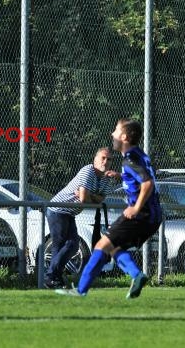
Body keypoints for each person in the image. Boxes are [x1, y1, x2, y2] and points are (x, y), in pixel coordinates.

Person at [57, 118, 162, 298]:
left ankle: (80, 290)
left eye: (115, 130)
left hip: (141, 214)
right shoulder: (137, 155)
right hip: (153, 216)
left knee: (102, 245)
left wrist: (136, 208)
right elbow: (140, 177)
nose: (112, 134)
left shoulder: (129, 160)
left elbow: (147, 183)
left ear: (124, 137)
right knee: (113, 248)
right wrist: (121, 176)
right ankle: (137, 275)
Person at [45, 147, 116, 289]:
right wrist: (90, 197)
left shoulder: (107, 178)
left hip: (70, 213)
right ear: (95, 160)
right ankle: (51, 277)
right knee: (64, 244)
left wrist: (90, 195)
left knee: (72, 245)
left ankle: (53, 278)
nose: (105, 162)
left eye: (109, 159)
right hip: (58, 209)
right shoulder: (88, 170)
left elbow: (100, 200)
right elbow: (84, 199)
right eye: (103, 158)